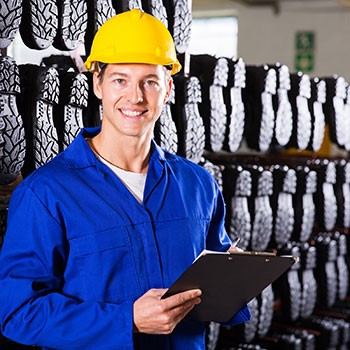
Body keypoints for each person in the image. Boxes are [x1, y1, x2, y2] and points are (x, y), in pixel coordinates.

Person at [0, 9, 250, 350]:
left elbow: (215, 276)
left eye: (149, 81)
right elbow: (18, 313)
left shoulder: (198, 185)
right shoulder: (45, 193)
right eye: (120, 80)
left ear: (167, 89)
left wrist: (235, 273)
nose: (135, 97)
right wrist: (126, 320)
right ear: (97, 84)